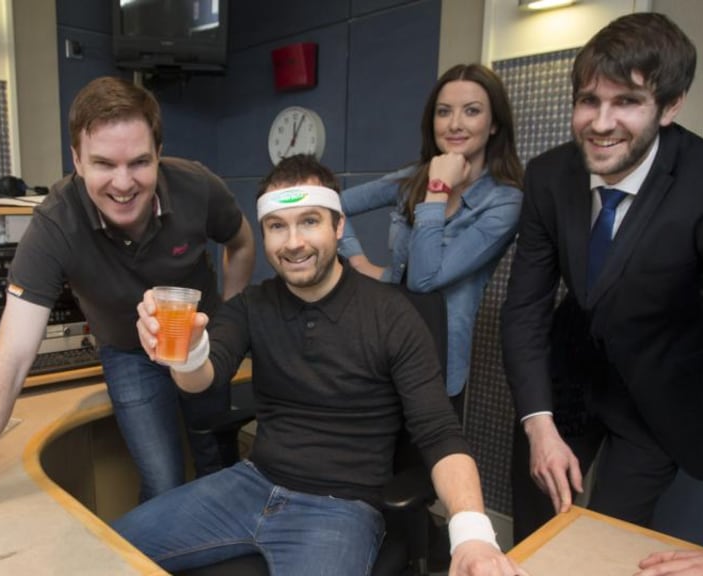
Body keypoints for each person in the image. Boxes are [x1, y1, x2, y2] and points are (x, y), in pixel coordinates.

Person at [0, 76, 255, 555]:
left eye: (139, 162)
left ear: (159, 153)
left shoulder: (198, 186)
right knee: (163, 481)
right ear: (77, 160)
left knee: (217, 460)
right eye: (103, 164)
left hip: (197, 347)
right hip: (128, 353)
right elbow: (11, 357)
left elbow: (242, 242)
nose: (123, 182)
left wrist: (228, 322)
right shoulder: (55, 223)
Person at [114, 154, 526, 576]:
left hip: (340, 509)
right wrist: (189, 351)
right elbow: (202, 380)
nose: (293, 242)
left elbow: (439, 434)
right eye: (277, 226)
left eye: (309, 221)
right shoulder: (252, 305)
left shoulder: (392, 314)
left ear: (339, 226)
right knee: (103, 552)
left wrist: (473, 535)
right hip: (249, 484)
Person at [502, 13, 703, 575]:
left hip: (656, 396)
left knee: (606, 551)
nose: (601, 123)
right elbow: (525, 308)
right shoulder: (548, 175)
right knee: (536, 540)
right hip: (564, 383)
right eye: (588, 101)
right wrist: (539, 424)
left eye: (627, 102)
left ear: (670, 106)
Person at [337, 63, 524, 409]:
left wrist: (437, 190)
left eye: (471, 111)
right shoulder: (412, 178)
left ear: (494, 123)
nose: (455, 124)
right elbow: (332, 204)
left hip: (437, 362)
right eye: (444, 111)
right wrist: (361, 263)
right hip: (382, 344)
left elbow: (424, 279)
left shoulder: (504, 202)